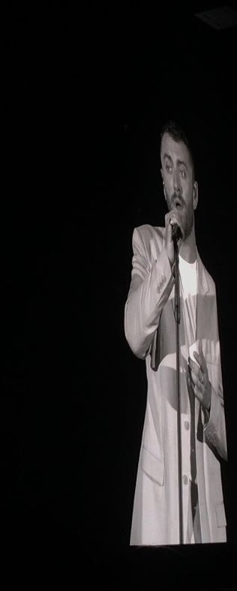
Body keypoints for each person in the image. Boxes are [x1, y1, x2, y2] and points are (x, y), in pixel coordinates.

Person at [124, 119, 227, 546]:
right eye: (168, 168)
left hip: (203, 504)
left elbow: (224, 436)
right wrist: (167, 258)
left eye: (183, 169)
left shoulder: (210, 290)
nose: (176, 181)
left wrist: (210, 404)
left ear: (196, 192)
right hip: (161, 493)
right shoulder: (147, 246)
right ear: (162, 183)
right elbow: (134, 335)